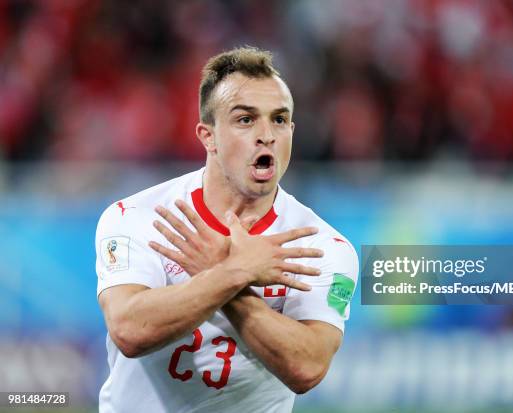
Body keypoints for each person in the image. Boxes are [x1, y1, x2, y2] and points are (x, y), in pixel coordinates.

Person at [95, 47, 359, 412]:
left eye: (279, 120)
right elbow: (129, 329)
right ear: (208, 136)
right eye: (246, 120)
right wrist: (235, 272)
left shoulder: (321, 245)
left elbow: (308, 366)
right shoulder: (136, 216)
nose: (267, 134)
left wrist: (223, 276)